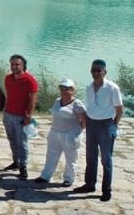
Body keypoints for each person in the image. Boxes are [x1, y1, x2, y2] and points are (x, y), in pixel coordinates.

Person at [74, 59, 124, 202]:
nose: (96, 73)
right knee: (90, 156)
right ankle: (89, 184)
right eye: (93, 70)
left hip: (106, 125)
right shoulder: (89, 87)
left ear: (104, 72)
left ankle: (106, 190)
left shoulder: (112, 88)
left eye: (98, 70)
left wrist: (113, 125)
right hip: (91, 124)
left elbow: (119, 110)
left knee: (106, 159)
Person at [35, 78, 85, 187]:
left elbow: (84, 120)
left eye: (66, 88)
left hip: (70, 135)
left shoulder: (77, 104)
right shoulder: (58, 101)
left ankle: (69, 178)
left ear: (72, 90)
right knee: (51, 155)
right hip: (55, 132)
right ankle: (45, 176)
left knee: (71, 158)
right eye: (61, 88)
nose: (63, 91)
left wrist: (78, 132)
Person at [3, 54, 39, 180]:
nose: (14, 66)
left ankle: (23, 167)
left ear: (23, 66)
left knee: (22, 143)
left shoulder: (30, 80)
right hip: (8, 114)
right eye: (12, 64)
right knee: (12, 140)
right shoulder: (8, 78)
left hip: (21, 117)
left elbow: (32, 100)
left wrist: (28, 116)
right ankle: (15, 162)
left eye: (17, 64)